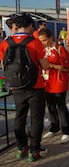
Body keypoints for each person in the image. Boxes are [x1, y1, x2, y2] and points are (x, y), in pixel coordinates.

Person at [0, 13, 49, 162]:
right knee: (36, 119)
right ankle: (34, 150)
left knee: (19, 117)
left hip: (17, 87)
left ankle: (21, 148)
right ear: (29, 26)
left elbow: (4, 65)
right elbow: (45, 66)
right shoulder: (35, 43)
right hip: (36, 87)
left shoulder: (5, 43)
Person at [38, 28, 69, 144]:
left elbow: (65, 67)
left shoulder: (60, 49)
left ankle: (67, 131)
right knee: (50, 106)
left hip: (59, 82)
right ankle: (54, 127)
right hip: (46, 82)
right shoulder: (43, 50)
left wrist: (51, 65)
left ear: (51, 38)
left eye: (44, 40)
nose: (43, 43)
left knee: (61, 106)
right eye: (41, 41)